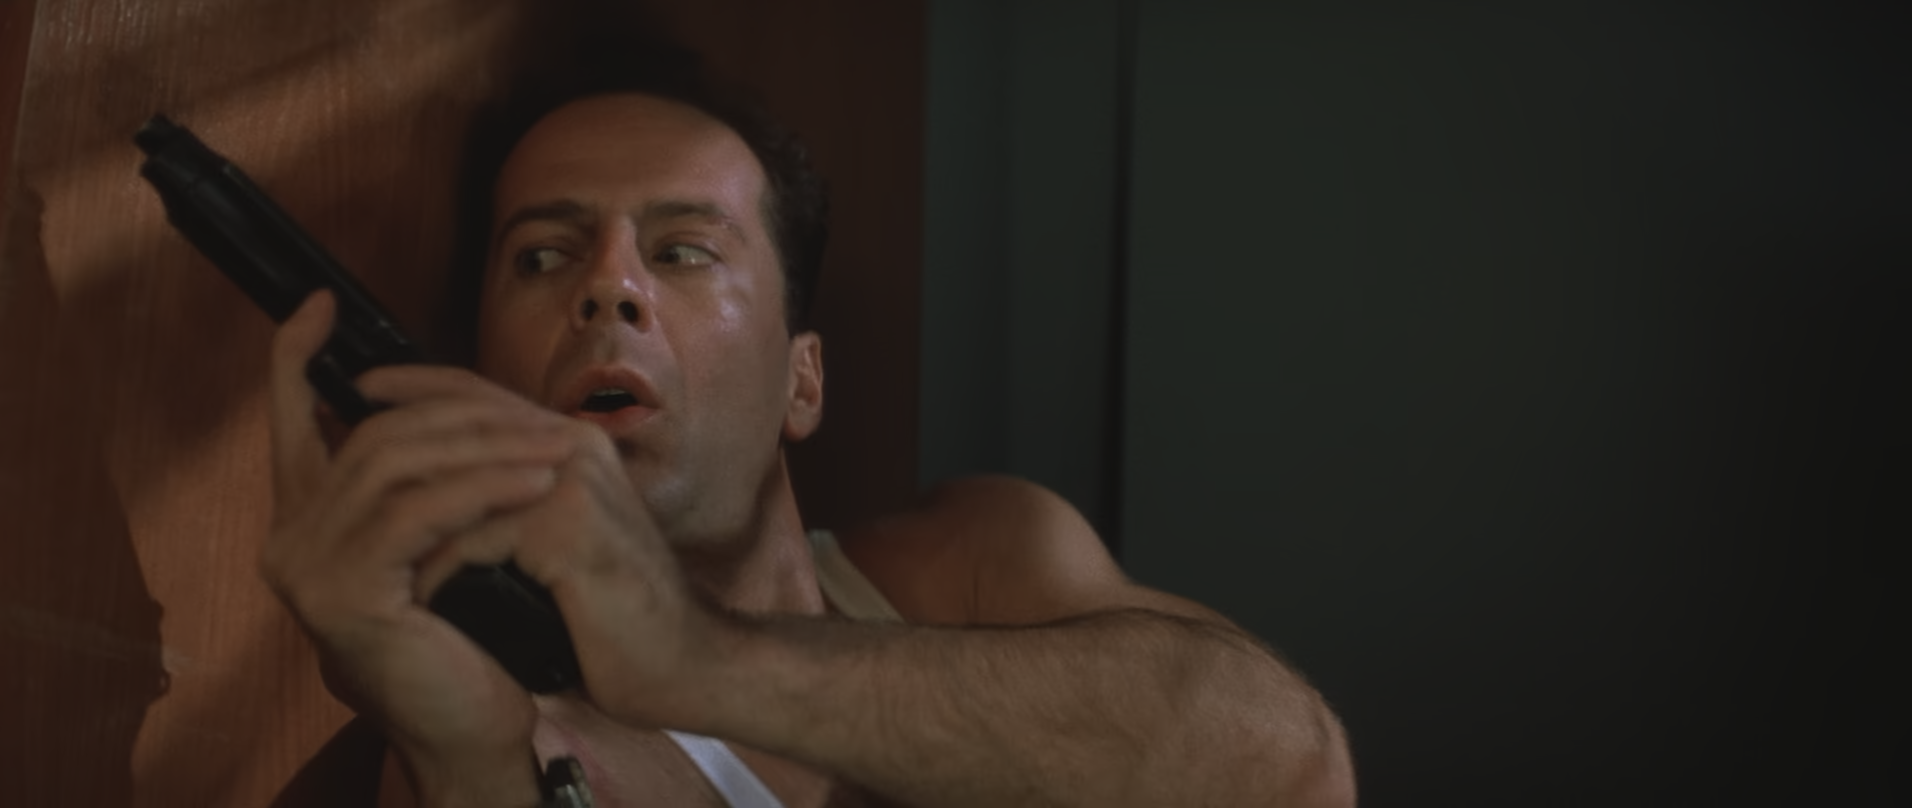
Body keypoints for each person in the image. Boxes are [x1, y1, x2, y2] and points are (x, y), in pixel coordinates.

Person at [261, 80, 1355, 807]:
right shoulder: (488, 734)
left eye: (683, 250)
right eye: (543, 257)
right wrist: (464, 771)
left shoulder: (974, 566)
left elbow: (1291, 772)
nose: (609, 286)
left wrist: (697, 658)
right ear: (487, 379)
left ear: (802, 380)